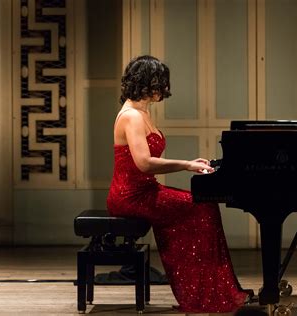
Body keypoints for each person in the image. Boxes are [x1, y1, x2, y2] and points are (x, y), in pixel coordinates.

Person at [106, 55, 249, 312]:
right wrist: (187, 164)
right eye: (159, 84)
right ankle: (202, 294)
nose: (163, 90)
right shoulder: (131, 117)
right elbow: (144, 163)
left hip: (145, 190)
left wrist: (188, 163)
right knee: (201, 208)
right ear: (146, 83)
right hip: (130, 196)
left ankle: (214, 289)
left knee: (204, 204)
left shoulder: (142, 112)